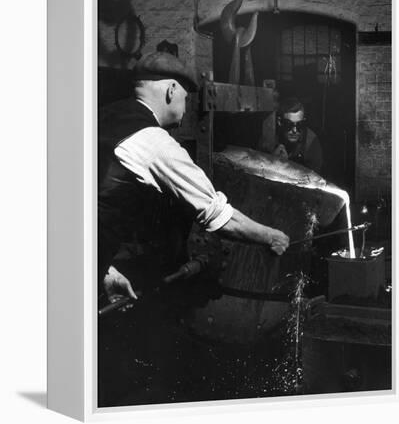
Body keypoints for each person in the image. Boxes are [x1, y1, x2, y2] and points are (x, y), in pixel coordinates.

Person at [99, 52, 289, 305]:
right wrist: (271, 236)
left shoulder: (101, 116)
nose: (187, 107)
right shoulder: (153, 141)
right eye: (186, 98)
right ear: (171, 90)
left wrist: (103, 271)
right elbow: (218, 216)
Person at [258, 97, 323, 174]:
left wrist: (286, 164)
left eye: (299, 124)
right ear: (280, 122)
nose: (294, 130)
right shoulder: (269, 138)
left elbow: (313, 178)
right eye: (289, 124)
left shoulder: (311, 142)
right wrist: (271, 160)